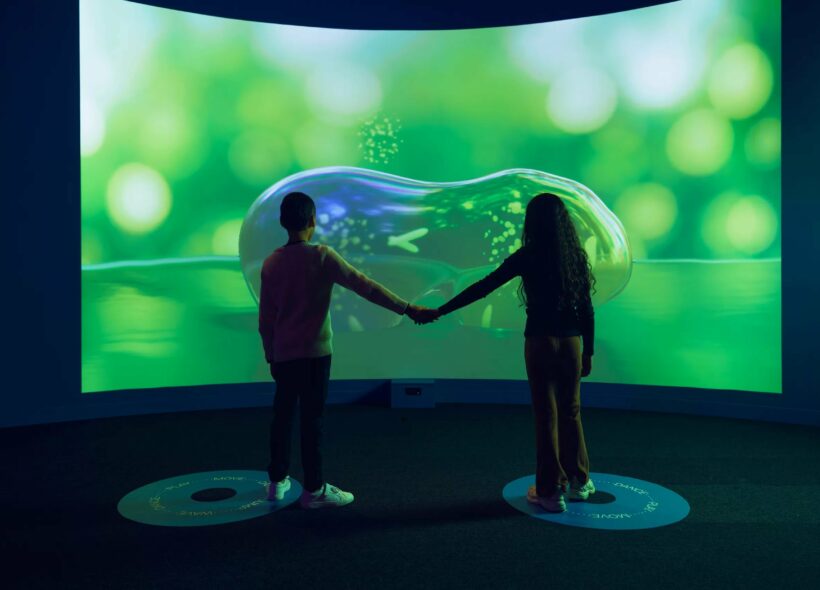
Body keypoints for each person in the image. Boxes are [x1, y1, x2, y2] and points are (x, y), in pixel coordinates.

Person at [414, 193, 596, 513]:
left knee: (546, 416)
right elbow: (587, 309)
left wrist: (442, 310)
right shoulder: (575, 257)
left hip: (540, 342)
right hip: (571, 342)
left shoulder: (527, 256)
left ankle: (550, 491)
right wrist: (589, 351)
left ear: (533, 223)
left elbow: (484, 285)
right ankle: (580, 481)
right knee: (572, 410)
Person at [259, 191, 434, 508]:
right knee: (312, 420)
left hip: (283, 355)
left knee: (281, 417)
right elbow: (365, 286)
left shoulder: (271, 263)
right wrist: (406, 308)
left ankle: (275, 481)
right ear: (313, 221)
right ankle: (313, 490)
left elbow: (266, 318)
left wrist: (270, 352)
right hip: (315, 355)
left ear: (283, 222)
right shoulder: (322, 256)